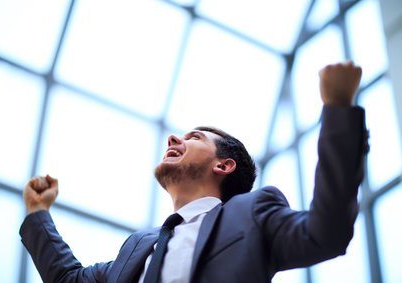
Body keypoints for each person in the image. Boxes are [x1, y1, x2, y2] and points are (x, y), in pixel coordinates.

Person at [20, 61, 368, 283]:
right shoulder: (137, 247)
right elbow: (68, 280)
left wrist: (338, 110)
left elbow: (327, 233)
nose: (173, 138)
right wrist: (38, 213)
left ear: (223, 165)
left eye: (195, 137)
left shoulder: (252, 214)